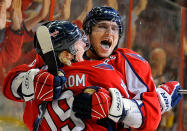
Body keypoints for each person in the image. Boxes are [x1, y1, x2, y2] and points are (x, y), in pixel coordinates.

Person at [3, 7, 182, 131]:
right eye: (102, 27)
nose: (109, 33)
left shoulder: (129, 62)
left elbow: (149, 118)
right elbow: (10, 84)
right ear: (87, 32)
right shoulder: (61, 55)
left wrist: (115, 107)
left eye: (114, 29)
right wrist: (32, 83)